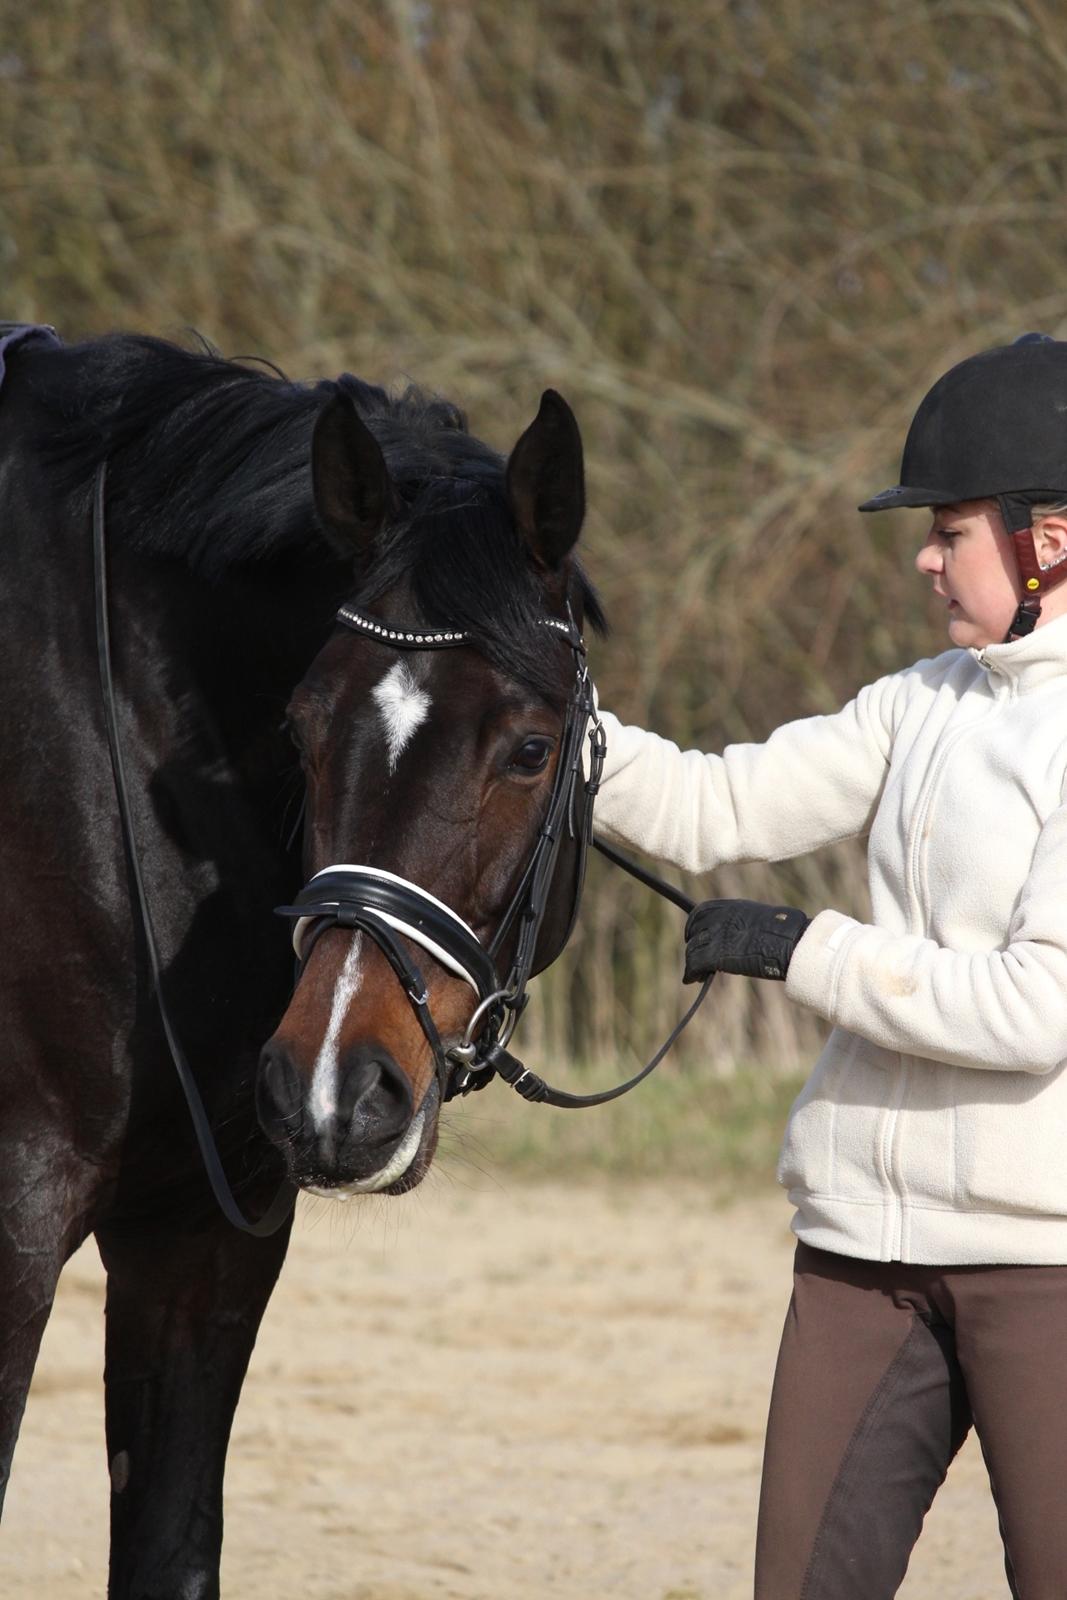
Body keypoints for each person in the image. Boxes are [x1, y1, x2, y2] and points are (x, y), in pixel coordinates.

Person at [590, 334, 1067, 1600]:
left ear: (1048, 540)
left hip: (1047, 1266)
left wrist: (802, 947)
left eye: (946, 530)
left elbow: (1038, 1006)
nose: (921, 556)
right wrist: (542, 713)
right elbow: (713, 804)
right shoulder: (916, 701)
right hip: (858, 1251)